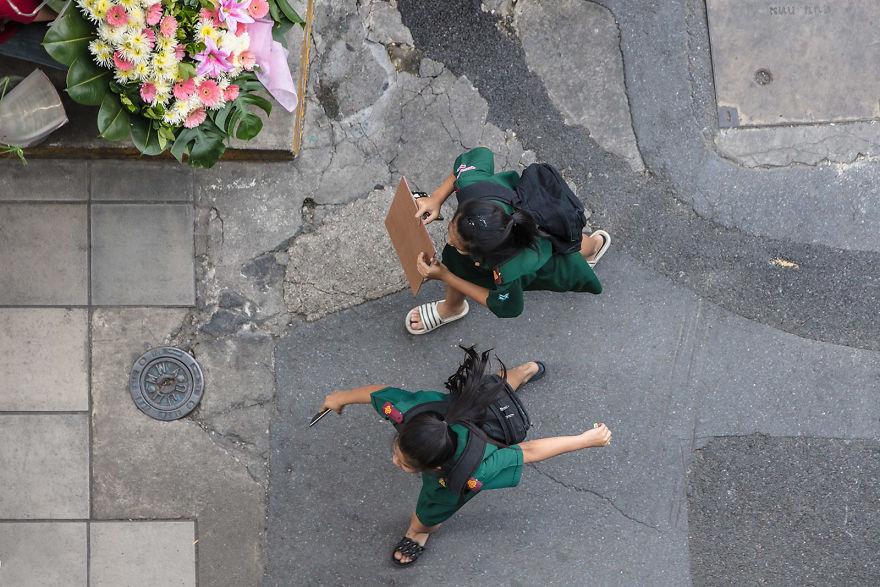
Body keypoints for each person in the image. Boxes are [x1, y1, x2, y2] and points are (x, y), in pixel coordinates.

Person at [319, 346, 613, 567]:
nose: (395, 461)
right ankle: (525, 370)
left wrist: (584, 440)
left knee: (429, 512)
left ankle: (418, 532)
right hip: (478, 410)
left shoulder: (471, 470)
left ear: (433, 467)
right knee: (489, 393)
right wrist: (340, 397)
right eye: (398, 452)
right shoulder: (405, 415)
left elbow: (529, 450)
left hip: (472, 440)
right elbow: (378, 393)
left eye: (403, 462)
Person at [406, 146, 611, 334]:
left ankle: (593, 247)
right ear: (470, 205)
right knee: (566, 241)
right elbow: (476, 156)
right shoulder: (474, 188)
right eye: (452, 228)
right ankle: (593, 247)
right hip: (538, 221)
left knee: (565, 251)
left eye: (458, 245)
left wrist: (445, 276)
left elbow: (507, 307)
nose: (449, 242)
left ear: (484, 255)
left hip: (539, 255)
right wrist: (436, 198)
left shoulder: (509, 269)